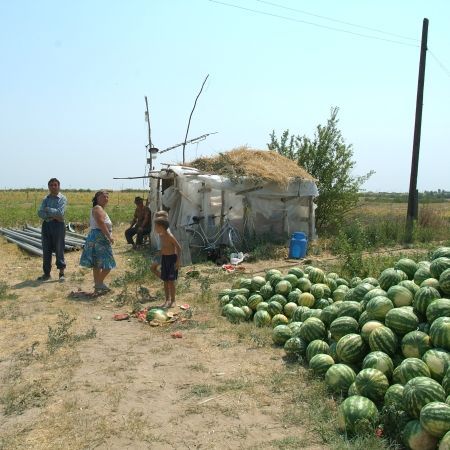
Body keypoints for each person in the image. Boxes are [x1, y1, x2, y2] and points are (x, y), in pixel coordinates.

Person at [80, 190, 116, 293]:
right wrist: (109, 236)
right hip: (100, 238)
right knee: (108, 264)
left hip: (97, 237)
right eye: (103, 197)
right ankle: (99, 283)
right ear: (97, 198)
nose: (106, 199)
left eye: (107, 197)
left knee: (97, 264)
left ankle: (98, 287)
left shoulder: (99, 208)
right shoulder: (98, 208)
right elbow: (101, 223)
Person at [37, 178, 67, 281]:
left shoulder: (62, 198)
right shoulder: (45, 199)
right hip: (46, 225)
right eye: (51, 185)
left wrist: (48, 210)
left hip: (58, 226)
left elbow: (60, 214)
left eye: (55, 185)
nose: (53, 187)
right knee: (46, 249)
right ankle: (46, 273)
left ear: (59, 186)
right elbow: (40, 213)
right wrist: (52, 216)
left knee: (59, 249)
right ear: (48, 187)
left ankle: (61, 273)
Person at [153, 217, 181, 309]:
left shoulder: (170, 236)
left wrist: (178, 261)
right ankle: (167, 300)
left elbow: (178, 247)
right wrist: (160, 253)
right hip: (164, 258)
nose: (155, 228)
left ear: (161, 227)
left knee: (171, 282)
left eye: (156, 226)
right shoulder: (161, 235)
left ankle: (173, 300)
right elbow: (164, 247)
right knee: (165, 281)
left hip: (172, 259)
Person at [150, 210, 169, 278]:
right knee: (154, 268)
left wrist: (161, 252)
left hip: (164, 253)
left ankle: (166, 279)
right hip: (161, 252)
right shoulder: (160, 230)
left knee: (153, 268)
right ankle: (166, 279)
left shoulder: (166, 232)